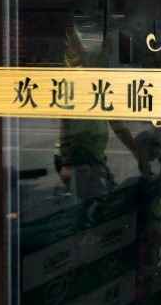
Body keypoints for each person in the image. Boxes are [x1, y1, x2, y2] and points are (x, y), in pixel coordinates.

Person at [54, 25, 148, 200]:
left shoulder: (99, 84)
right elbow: (65, 123)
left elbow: (118, 125)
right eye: (103, 57)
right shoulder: (79, 82)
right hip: (78, 158)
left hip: (92, 157)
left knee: (104, 199)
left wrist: (138, 154)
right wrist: (66, 163)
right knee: (96, 202)